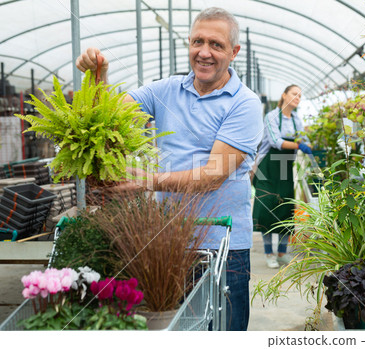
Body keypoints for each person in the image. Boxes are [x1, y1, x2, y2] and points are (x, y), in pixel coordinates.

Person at [76, 7, 263, 331]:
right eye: (197, 42)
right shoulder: (164, 90)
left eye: (216, 45)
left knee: (223, 331)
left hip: (222, 245)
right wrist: (97, 76)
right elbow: (105, 120)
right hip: (168, 240)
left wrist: (148, 182)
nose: (204, 52)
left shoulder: (244, 103)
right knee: (173, 330)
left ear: (234, 52)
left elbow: (212, 175)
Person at [252, 85, 311, 269]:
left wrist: (305, 143)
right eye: (294, 94)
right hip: (268, 166)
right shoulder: (271, 116)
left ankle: (282, 252)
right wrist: (298, 146)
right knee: (267, 207)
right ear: (284, 95)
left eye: (300, 96)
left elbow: (305, 139)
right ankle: (269, 253)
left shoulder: (296, 119)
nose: (297, 97)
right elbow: (275, 142)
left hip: (285, 167)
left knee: (285, 207)